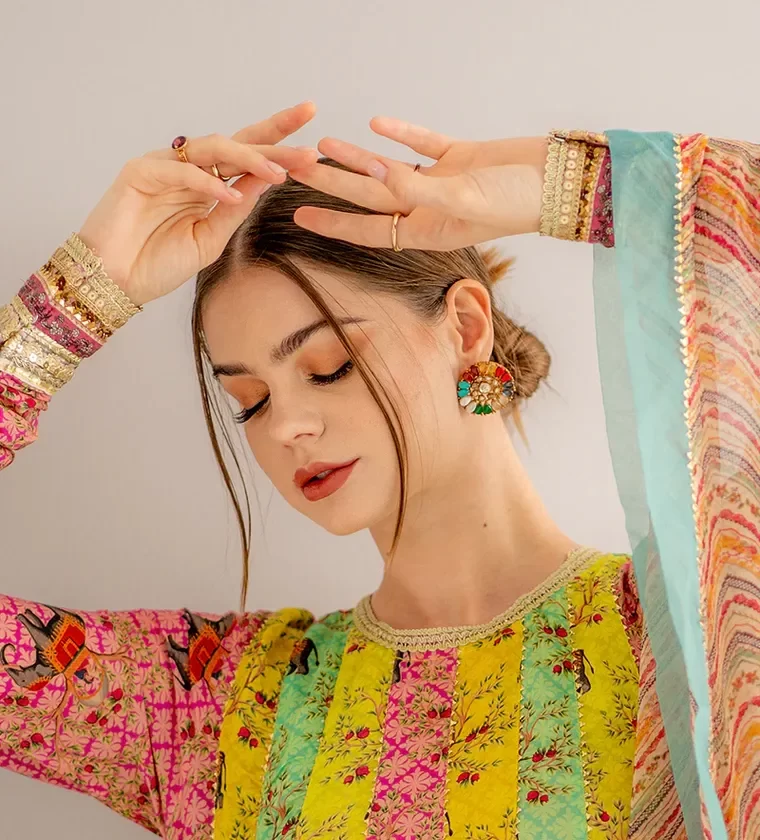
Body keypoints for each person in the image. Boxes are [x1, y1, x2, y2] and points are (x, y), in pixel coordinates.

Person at [0, 101, 754, 840]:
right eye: (250, 402)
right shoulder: (223, 708)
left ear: (466, 328)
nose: (286, 426)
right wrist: (82, 293)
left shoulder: (693, 642)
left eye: (328, 366)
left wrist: (569, 184)